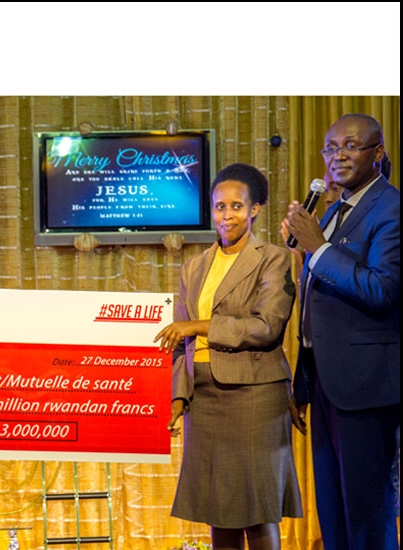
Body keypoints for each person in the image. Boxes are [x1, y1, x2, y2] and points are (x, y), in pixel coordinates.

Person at [155, 163, 301, 550]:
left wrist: (200, 326)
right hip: (203, 399)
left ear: (254, 210)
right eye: (220, 206)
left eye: (237, 206)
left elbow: (265, 326)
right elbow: (179, 339)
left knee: (257, 509)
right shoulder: (195, 266)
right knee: (217, 510)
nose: (227, 215)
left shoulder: (272, 258)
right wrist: (178, 396)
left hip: (254, 396)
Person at [285, 113, 399, 550]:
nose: (338, 156)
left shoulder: (391, 208)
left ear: (378, 153)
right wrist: (303, 379)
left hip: (367, 387)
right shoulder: (334, 211)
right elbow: (317, 301)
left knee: (367, 512)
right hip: (327, 384)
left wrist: (318, 247)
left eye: (351, 146)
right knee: (332, 509)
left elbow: (383, 288)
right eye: (331, 148)